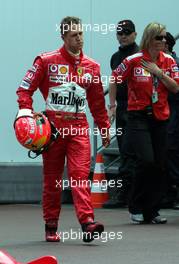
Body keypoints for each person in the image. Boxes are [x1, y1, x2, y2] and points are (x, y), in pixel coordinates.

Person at [16, 16, 110, 242]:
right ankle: (51, 225)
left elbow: (97, 102)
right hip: (53, 130)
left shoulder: (92, 66)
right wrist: (26, 114)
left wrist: (105, 127)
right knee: (52, 179)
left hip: (79, 128)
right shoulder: (46, 60)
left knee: (79, 176)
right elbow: (24, 90)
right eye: (74, 35)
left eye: (81, 34)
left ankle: (87, 223)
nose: (79, 39)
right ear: (63, 37)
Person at [109, 22, 179, 224]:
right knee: (146, 160)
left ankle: (152, 210)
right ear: (149, 39)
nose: (163, 41)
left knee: (160, 164)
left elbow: (175, 88)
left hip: (161, 117)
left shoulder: (168, 61)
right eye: (159, 37)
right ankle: (136, 205)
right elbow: (114, 79)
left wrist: (158, 72)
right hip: (138, 116)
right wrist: (112, 105)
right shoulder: (134, 60)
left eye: (164, 38)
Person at [103, 20, 139, 209]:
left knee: (137, 152)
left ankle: (137, 194)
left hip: (139, 108)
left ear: (134, 34)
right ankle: (125, 194)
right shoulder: (115, 57)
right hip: (123, 107)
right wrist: (112, 105)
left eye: (126, 32)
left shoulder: (141, 54)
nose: (123, 36)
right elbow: (114, 81)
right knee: (125, 151)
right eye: (120, 33)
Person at [162, 32, 179, 209]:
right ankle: (167, 193)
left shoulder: (174, 63)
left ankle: (173, 193)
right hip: (162, 111)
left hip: (173, 111)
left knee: (171, 151)